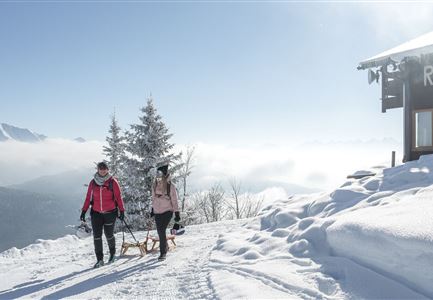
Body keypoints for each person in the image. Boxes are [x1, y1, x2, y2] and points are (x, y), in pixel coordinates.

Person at [80, 162, 125, 268]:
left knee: (109, 235)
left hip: (110, 213)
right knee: (97, 237)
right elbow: (88, 198)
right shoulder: (93, 182)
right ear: (98, 170)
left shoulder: (112, 182)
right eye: (101, 168)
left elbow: (119, 197)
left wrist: (122, 211)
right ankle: (99, 260)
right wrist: (83, 211)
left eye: (105, 169)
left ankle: (112, 254)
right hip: (96, 214)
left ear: (107, 169)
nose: (103, 170)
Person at [151, 162, 180, 261]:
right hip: (157, 211)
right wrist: (152, 209)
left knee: (161, 230)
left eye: (161, 173)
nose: (159, 176)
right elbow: (153, 197)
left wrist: (177, 213)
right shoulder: (155, 184)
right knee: (160, 231)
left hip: (168, 210)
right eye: (158, 173)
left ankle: (163, 252)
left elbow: (174, 199)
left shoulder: (170, 185)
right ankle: (165, 246)